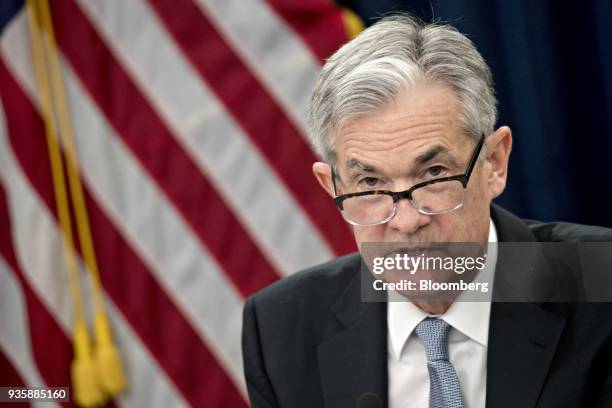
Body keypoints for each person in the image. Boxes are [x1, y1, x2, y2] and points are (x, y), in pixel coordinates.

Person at [241, 15, 612, 408]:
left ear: (494, 163)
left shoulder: (601, 286)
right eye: (370, 184)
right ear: (333, 187)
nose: (406, 221)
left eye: (433, 174)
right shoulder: (282, 328)